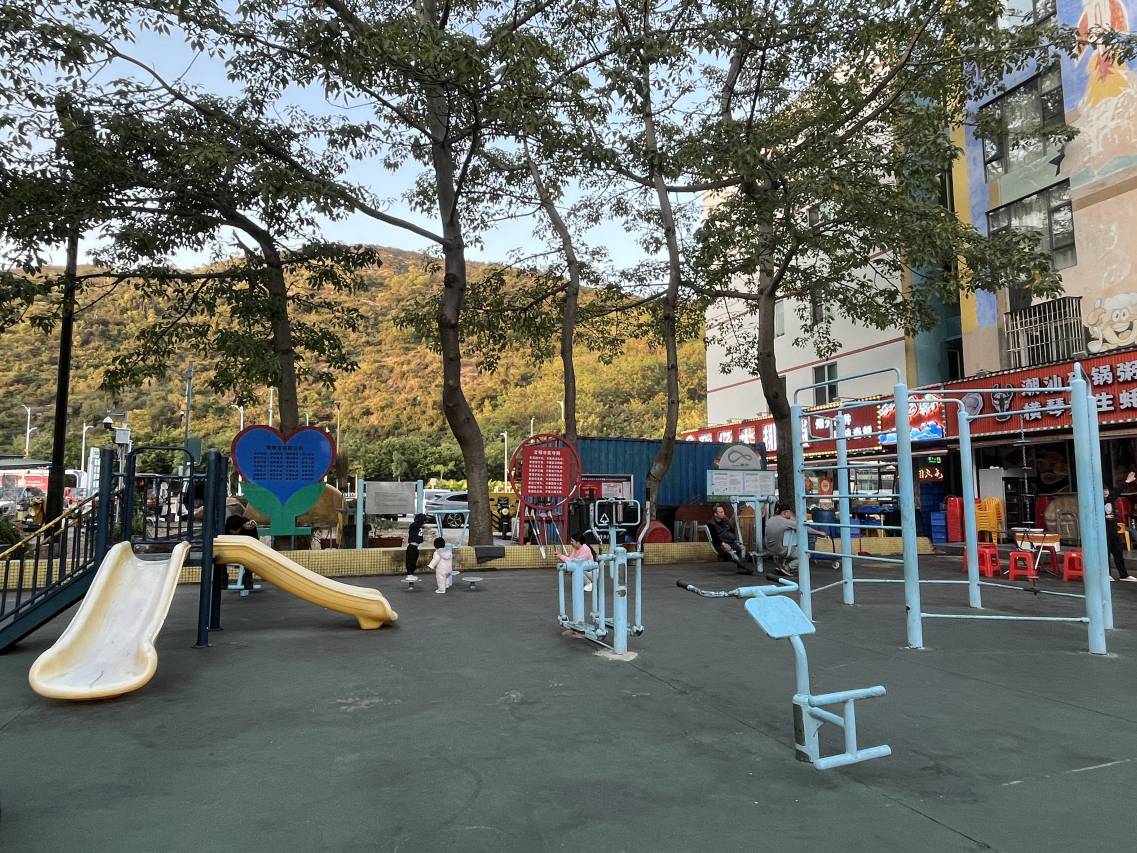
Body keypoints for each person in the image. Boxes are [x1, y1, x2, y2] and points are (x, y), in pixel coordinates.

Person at [763, 507, 835, 579]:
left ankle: (782, 564)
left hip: (770, 547)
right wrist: (819, 532)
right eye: (791, 514)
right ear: (786, 512)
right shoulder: (785, 522)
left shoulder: (771, 519)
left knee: (790, 544)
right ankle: (788, 567)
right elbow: (803, 528)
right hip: (781, 549)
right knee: (806, 555)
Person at [1103, 486, 1135, 582]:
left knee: (1118, 552)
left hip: (1114, 531)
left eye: (1106, 490)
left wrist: (1126, 483)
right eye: (1103, 490)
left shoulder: (1110, 499)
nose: (1105, 492)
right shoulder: (1097, 502)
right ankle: (1106, 575)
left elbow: (1117, 492)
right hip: (1104, 532)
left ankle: (1124, 575)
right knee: (1106, 554)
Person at [223, 513, 261, 594]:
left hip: (245, 552)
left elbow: (256, 542)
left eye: (235, 531)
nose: (233, 533)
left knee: (250, 557)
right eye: (231, 531)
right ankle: (223, 580)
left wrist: (251, 529)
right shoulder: (225, 528)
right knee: (219, 558)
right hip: (230, 551)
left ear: (241, 526)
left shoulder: (248, 526)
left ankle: (248, 581)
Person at [708, 504, 751, 573]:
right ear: (715, 514)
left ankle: (741, 567)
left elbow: (731, 530)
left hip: (730, 541)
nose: (723, 513)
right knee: (731, 553)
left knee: (742, 547)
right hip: (720, 544)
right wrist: (723, 544)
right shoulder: (711, 524)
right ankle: (744, 567)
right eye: (721, 512)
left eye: (723, 511)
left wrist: (734, 540)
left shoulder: (726, 520)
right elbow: (714, 538)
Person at [405, 513, 431, 580]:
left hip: (415, 547)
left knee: (413, 562)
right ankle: (409, 575)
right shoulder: (414, 525)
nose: (424, 522)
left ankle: (411, 574)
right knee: (410, 562)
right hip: (412, 547)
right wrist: (423, 525)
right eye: (424, 520)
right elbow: (416, 525)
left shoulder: (419, 526)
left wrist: (424, 526)